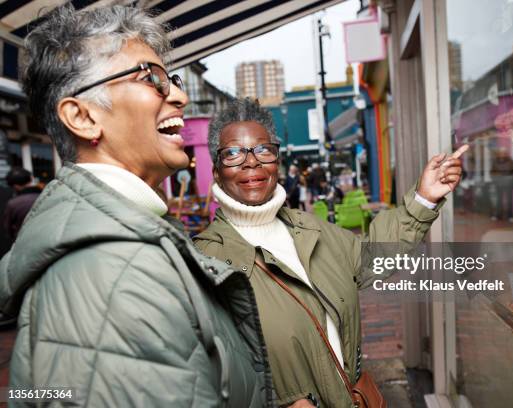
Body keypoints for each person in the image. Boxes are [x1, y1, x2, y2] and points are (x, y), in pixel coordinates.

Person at [0, 6, 269, 406]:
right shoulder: (111, 272)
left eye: (172, 79)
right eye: (153, 79)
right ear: (83, 117)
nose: (178, 95)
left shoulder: (129, 241)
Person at [195, 98, 467, 407]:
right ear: (216, 171)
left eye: (263, 150)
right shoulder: (204, 260)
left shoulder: (310, 229)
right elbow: (205, 375)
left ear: (277, 161)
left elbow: (372, 258)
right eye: (233, 153)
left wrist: (423, 198)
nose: (251, 162)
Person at [2, 167, 42, 243]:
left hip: (25, 243)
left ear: (15, 186)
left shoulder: (13, 204)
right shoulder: (47, 194)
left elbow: (8, 229)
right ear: (30, 179)